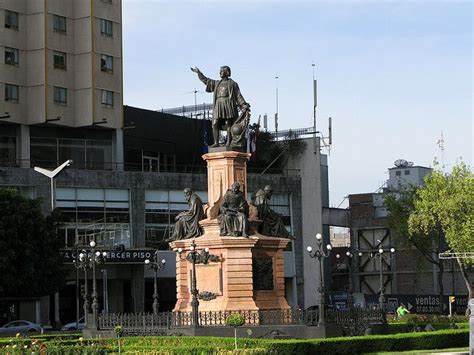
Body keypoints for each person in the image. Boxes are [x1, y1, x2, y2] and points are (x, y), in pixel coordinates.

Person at [191, 66, 250, 147]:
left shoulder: (233, 84)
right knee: (215, 123)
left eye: (221, 71)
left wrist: (243, 104)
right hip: (218, 104)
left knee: (228, 123)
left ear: (226, 72)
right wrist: (199, 73)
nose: (219, 73)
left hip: (228, 104)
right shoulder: (216, 83)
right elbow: (206, 81)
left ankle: (228, 142)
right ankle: (216, 142)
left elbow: (238, 95)